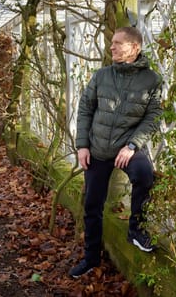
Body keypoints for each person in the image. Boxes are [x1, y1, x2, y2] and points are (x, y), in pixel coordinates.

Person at [69, 27, 163, 278]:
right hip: (97, 148)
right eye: (112, 43)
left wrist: (132, 146)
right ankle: (90, 259)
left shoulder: (152, 80)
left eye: (118, 43)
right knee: (92, 204)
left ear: (135, 47)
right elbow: (85, 109)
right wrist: (82, 146)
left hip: (127, 146)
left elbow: (153, 117)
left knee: (144, 173)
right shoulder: (101, 76)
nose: (111, 47)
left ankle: (135, 230)